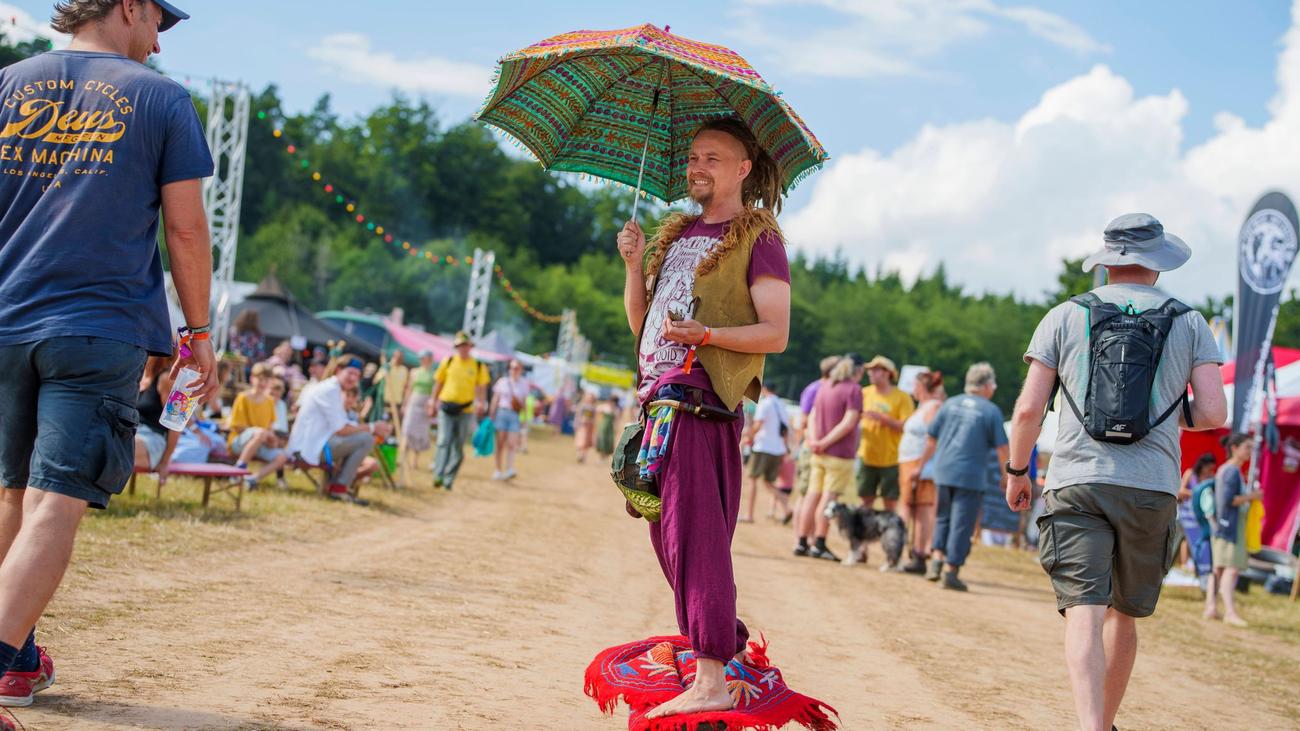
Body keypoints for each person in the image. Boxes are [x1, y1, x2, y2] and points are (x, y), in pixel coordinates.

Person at [0, 0, 212, 714]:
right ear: (128, 7)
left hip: (6, 320)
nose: (158, 43)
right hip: (97, 327)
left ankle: (16, 661)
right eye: (157, 23)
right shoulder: (161, 99)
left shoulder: (8, 83)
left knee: (12, 495)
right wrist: (199, 333)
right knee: (56, 499)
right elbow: (186, 230)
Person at [1004, 213, 1226, 731]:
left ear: (1106, 262)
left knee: (1084, 609)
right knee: (1123, 613)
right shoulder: (1190, 322)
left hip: (1077, 480)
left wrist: (1018, 470)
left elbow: (1029, 410)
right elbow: (1214, 413)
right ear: (1157, 263)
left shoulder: (1064, 315)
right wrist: (1165, 418)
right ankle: (1105, 724)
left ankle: (1088, 726)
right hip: (1151, 486)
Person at [615, 117, 791, 718]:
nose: (697, 167)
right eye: (693, 157)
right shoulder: (677, 233)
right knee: (668, 537)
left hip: (701, 402)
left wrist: (708, 334)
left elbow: (776, 332)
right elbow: (642, 324)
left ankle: (712, 673)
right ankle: (723, 650)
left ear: (743, 169)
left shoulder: (758, 238)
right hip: (658, 401)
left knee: (696, 537)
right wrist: (634, 265)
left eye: (712, 158)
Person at [914, 362, 1008, 591]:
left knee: (942, 517)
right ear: (986, 386)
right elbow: (1002, 449)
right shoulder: (991, 411)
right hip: (970, 476)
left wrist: (919, 467)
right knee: (962, 524)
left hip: (943, 471)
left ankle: (936, 561)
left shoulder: (950, 404)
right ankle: (951, 571)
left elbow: (931, 439)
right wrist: (1008, 475)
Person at [287, 357, 393, 501]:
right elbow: (341, 430)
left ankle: (338, 484)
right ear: (338, 370)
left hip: (316, 444)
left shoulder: (334, 389)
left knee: (364, 439)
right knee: (366, 439)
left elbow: (342, 426)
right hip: (307, 449)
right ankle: (339, 488)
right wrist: (373, 427)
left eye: (357, 375)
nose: (353, 378)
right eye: (350, 373)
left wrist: (370, 428)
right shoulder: (329, 390)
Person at [795, 355, 865, 562]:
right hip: (839, 453)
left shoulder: (825, 386)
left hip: (818, 452)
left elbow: (813, 416)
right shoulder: (854, 389)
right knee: (828, 498)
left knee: (812, 495)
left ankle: (801, 541)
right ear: (857, 371)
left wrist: (814, 441)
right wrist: (825, 442)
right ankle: (819, 543)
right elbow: (849, 421)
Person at [1207, 434, 1259, 626]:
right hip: (1229, 526)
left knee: (1219, 569)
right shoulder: (1231, 471)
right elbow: (1229, 500)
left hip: (1223, 526)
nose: (1250, 452)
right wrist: (1253, 496)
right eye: (1247, 447)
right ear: (1235, 448)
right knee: (1231, 569)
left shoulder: (1228, 470)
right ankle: (1229, 612)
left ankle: (1211, 608)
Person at [427, 332, 488, 491]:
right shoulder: (448, 361)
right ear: (457, 347)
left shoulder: (478, 366)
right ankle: (438, 474)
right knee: (443, 441)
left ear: (470, 347)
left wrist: (481, 403)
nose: (463, 348)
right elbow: (439, 383)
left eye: (465, 345)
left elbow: (482, 387)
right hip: (446, 407)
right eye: (460, 346)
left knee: (458, 446)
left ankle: (449, 478)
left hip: (465, 410)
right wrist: (432, 401)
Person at [898, 370, 946, 573]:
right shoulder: (923, 407)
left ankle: (918, 553)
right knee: (910, 507)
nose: (912, 390)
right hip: (910, 462)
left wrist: (920, 466)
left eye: (915, 386)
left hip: (920, 464)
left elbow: (931, 439)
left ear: (921, 387)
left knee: (921, 509)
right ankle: (909, 552)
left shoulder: (933, 407)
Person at [857, 356, 913, 514]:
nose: (870, 373)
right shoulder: (864, 393)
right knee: (865, 501)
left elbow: (906, 426)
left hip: (891, 458)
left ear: (888, 373)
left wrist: (883, 419)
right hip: (867, 455)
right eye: (870, 370)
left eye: (875, 370)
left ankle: (887, 529)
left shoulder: (902, 397)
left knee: (890, 502)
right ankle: (865, 529)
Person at [226, 363, 292, 490]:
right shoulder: (243, 397)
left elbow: (269, 428)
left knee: (282, 456)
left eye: (266, 380)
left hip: (259, 443)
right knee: (260, 433)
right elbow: (237, 427)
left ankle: (252, 479)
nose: (263, 383)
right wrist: (262, 434)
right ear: (252, 378)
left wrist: (271, 440)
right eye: (260, 379)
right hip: (238, 442)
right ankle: (238, 470)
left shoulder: (269, 401)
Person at [743, 381, 790, 523]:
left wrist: (748, 437)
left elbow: (758, 425)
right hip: (778, 449)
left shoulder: (765, 404)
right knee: (769, 482)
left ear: (764, 389)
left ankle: (749, 515)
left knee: (752, 479)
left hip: (763, 447)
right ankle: (787, 508)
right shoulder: (782, 404)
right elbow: (785, 430)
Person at [490, 360, 532, 480]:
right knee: (500, 443)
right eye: (512, 367)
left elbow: (524, 403)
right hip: (501, 413)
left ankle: (509, 469)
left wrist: (525, 418)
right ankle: (498, 470)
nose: (514, 370)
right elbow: (495, 399)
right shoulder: (502, 382)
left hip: (514, 415)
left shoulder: (524, 384)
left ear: (521, 370)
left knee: (512, 443)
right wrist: (491, 414)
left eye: (517, 368)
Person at [400, 350, 436, 479]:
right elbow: (409, 388)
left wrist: (431, 405)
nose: (422, 360)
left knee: (420, 432)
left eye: (424, 358)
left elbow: (434, 391)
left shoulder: (434, 374)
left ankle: (415, 461)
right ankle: (403, 457)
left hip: (425, 403)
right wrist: (405, 404)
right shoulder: (414, 372)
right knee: (408, 429)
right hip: (414, 401)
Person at [1179, 453, 1216, 575]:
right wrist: (1196, 494)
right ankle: (1185, 563)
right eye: (1208, 468)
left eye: (1212, 468)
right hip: (1187, 514)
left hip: (1202, 515)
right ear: (1202, 465)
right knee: (1187, 538)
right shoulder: (1190, 473)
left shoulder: (1210, 477)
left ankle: (1198, 564)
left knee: (1201, 538)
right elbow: (1180, 491)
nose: (1210, 471)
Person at [380, 350, 410, 429]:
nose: (398, 359)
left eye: (400, 357)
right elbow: (376, 381)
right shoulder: (387, 367)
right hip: (385, 399)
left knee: (392, 425)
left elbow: (406, 387)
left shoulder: (404, 370)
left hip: (397, 401)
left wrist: (404, 404)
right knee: (382, 422)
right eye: (396, 356)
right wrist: (385, 371)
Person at [573, 391, 597, 463]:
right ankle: (579, 455)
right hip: (582, 425)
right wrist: (576, 423)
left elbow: (594, 418)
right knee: (581, 440)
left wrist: (592, 423)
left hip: (589, 426)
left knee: (586, 442)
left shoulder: (593, 408)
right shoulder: (582, 406)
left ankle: (583, 456)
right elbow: (578, 415)